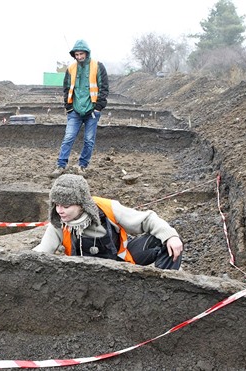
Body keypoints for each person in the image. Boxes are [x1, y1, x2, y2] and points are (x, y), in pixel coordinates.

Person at [33, 174, 183, 270]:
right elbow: (43, 250)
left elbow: (147, 220)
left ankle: (160, 292)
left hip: (120, 263)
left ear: (81, 204)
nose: (59, 210)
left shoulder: (107, 208)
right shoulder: (59, 220)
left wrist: (171, 237)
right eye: (57, 205)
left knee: (164, 241)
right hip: (81, 275)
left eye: (66, 206)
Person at [51, 39, 109, 178]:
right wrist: (69, 107)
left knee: (89, 140)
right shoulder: (71, 69)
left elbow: (104, 88)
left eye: (81, 54)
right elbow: (66, 88)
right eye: (76, 55)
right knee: (68, 137)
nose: (79, 57)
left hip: (92, 112)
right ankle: (61, 165)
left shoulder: (98, 66)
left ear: (86, 53)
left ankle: (82, 165)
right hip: (75, 111)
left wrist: (98, 108)